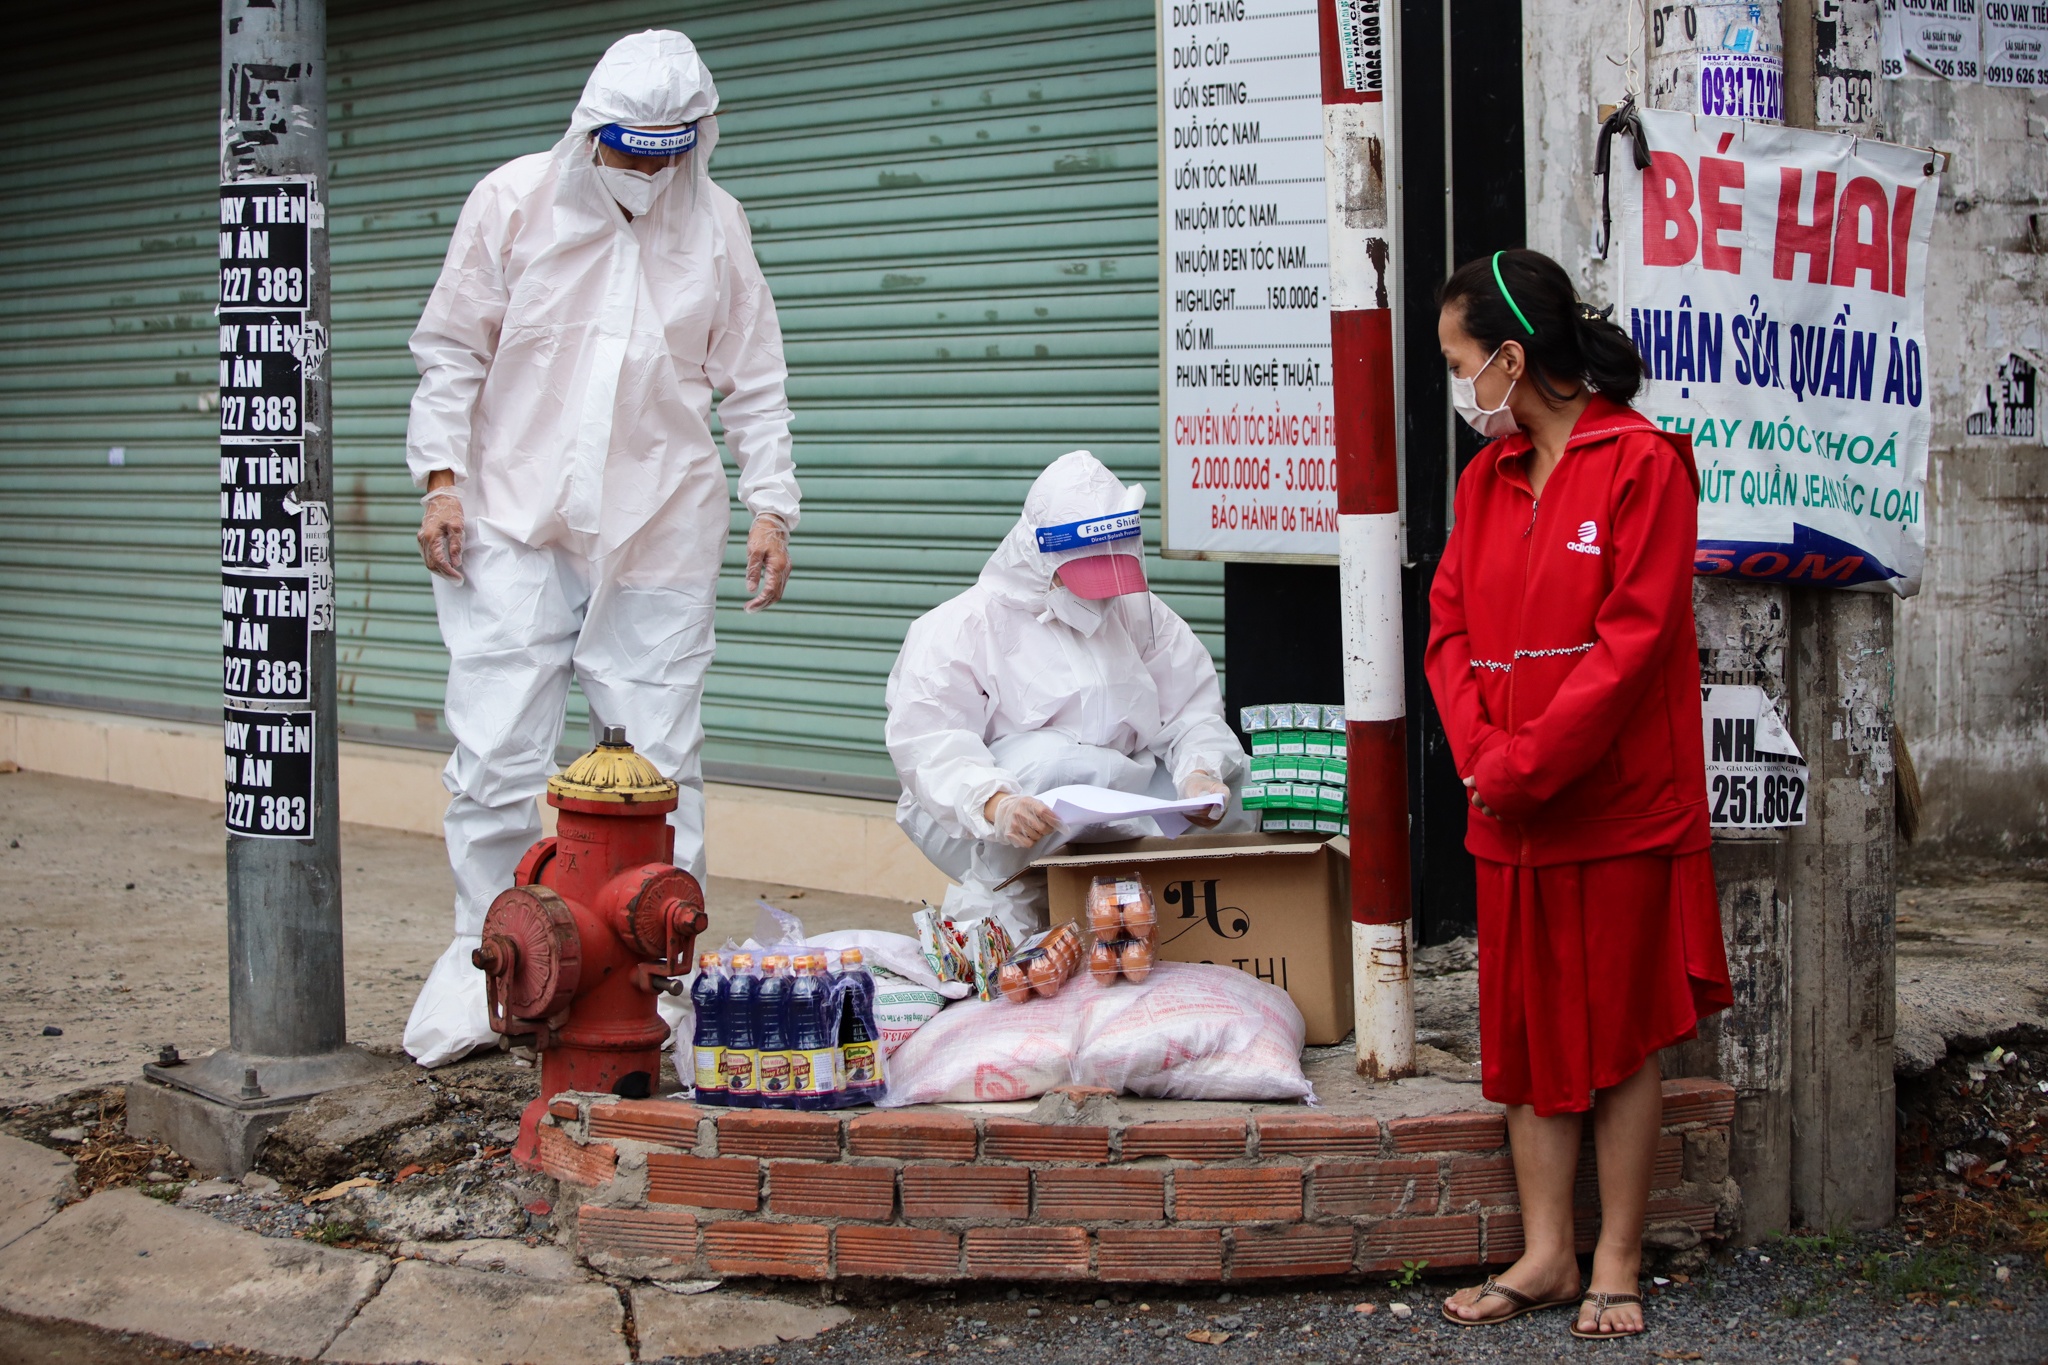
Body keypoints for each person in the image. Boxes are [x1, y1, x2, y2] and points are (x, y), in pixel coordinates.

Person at [402, 30, 799, 1067]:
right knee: (494, 755)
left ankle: (654, 977)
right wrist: (441, 481)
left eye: (666, 150)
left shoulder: (715, 226)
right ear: (589, 130)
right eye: (626, 148)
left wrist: (772, 505)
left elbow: (753, 376)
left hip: (660, 523)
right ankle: (484, 960)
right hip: (512, 515)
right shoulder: (514, 201)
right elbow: (452, 349)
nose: (644, 169)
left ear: (695, 140)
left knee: (661, 767)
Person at [1424, 250, 1733, 1340]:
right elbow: (1447, 628)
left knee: (1618, 1033)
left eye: (1464, 364)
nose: (1460, 391)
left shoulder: (1642, 465)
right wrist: (1480, 757)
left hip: (1612, 803)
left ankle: (1614, 1258)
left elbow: (1632, 642)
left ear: (1512, 358)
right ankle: (1546, 1252)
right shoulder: (1482, 481)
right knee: (1522, 1032)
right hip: (1502, 803)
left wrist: (1526, 763)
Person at [884, 451, 1246, 938]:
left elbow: (1191, 708)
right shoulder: (962, 627)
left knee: (1240, 785)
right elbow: (930, 742)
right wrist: (995, 803)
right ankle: (998, 914)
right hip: (991, 812)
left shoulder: (1140, 613)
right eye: (1085, 577)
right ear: (1039, 558)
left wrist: (1200, 774)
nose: (1099, 596)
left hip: (1116, 791)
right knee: (1052, 762)